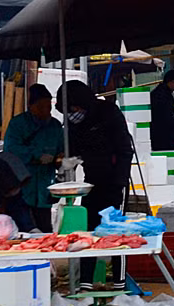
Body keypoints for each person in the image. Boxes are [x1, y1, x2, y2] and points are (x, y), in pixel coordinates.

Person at [57, 80, 135, 230]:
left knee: (109, 225)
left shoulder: (108, 113)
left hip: (113, 177)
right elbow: (73, 148)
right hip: (90, 179)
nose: (73, 114)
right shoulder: (72, 120)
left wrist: (120, 181)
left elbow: (124, 149)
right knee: (90, 221)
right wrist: (69, 163)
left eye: (74, 108)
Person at [3, 83, 64, 232]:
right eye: (40, 106)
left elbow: (62, 150)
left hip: (45, 189)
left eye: (48, 106)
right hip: (22, 188)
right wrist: (36, 156)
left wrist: (63, 162)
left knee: (45, 231)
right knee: (23, 230)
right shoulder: (18, 124)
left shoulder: (55, 126)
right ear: (30, 106)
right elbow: (11, 149)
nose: (46, 111)